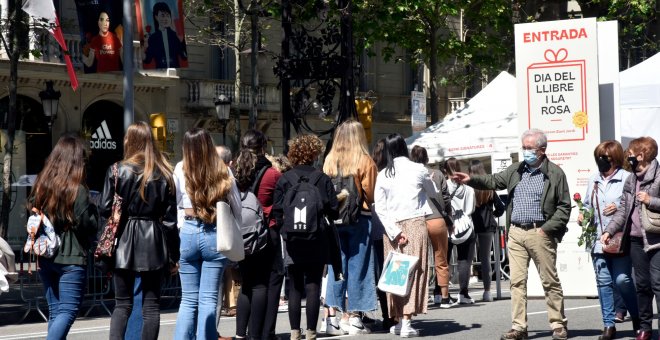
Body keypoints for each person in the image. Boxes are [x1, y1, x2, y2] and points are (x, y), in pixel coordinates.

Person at [452, 128, 570, 340]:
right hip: (515, 232)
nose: (525, 152)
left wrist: (546, 229)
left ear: (542, 150)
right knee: (516, 282)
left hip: (539, 232)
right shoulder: (516, 170)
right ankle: (519, 327)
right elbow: (493, 181)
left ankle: (558, 324)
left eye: (529, 148)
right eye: (523, 148)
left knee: (549, 281)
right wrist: (470, 179)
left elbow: (564, 207)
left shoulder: (555, 173)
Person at [103, 121, 180, 340]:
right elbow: (170, 221)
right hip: (154, 240)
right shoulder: (164, 173)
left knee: (122, 305)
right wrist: (174, 256)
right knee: (151, 306)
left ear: (129, 141)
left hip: (124, 239)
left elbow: (105, 210)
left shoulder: (117, 170)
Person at [173, 128, 241, 339]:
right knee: (209, 298)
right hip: (214, 230)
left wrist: (180, 227)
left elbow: (174, 202)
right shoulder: (221, 169)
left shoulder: (180, 168)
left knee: (188, 299)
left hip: (189, 230)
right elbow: (236, 205)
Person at [272, 134, 339, 340]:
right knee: (313, 284)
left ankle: (294, 332)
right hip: (317, 237)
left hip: (293, 240)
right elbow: (334, 211)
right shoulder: (322, 178)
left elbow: (276, 211)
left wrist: (287, 230)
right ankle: (311, 331)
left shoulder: (285, 179)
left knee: (295, 286)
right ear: (315, 154)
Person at [31, 135, 98, 340]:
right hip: (71, 257)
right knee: (68, 310)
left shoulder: (43, 186)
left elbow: (32, 210)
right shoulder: (77, 190)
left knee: (55, 310)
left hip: (46, 255)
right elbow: (88, 225)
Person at [578, 140, 639, 340]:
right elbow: (588, 204)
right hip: (597, 237)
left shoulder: (627, 178)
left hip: (621, 238)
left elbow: (635, 205)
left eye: (605, 157)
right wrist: (583, 214)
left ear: (615, 159)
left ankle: (637, 318)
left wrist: (616, 205)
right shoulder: (593, 179)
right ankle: (608, 325)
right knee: (603, 282)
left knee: (622, 280)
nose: (601, 161)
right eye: (599, 157)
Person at [374, 133, 433, 338]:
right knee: (414, 273)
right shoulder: (418, 169)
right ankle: (407, 321)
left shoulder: (383, 174)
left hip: (392, 227)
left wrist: (395, 231)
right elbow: (433, 192)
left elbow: (379, 208)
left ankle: (399, 319)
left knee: (395, 275)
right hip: (415, 222)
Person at [322, 120, 378, 335]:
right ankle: (354, 316)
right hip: (359, 218)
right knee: (359, 267)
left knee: (337, 268)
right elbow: (371, 194)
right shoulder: (364, 160)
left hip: (334, 220)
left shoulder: (329, 160)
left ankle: (332, 318)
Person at [602, 136, 660, 340]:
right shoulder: (632, 178)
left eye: (631, 152)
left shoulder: (659, 175)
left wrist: (651, 200)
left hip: (656, 239)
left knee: (658, 283)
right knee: (642, 285)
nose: (628, 155)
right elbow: (624, 210)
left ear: (642, 155)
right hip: (636, 239)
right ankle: (644, 327)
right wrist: (610, 230)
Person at [232, 130, 284, 340]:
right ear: (263, 147)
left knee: (246, 283)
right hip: (264, 233)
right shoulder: (272, 174)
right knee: (261, 285)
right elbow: (279, 204)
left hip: (240, 233)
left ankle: (239, 334)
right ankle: (256, 335)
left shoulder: (235, 172)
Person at [409, 146, 455, 308]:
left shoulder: (409, 174)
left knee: (418, 260)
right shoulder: (438, 174)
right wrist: (449, 219)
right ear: (427, 159)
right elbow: (446, 198)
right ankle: (444, 297)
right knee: (441, 258)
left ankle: (420, 298)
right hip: (437, 219)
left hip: (416, 220)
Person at [468, 159, 506, 303]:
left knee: (467, 258)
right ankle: (487, 292)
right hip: (487, 225)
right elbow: (501, 208)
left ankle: (464, 292)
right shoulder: (489, 188)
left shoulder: (469, 187)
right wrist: (492, 215)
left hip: (471, 225)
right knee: (485, 259)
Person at [444, 158, 477, 305]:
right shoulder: (469, 189)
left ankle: (441, 292)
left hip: (448, 226)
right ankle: (463, 293)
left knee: (444, 261)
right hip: (466, 227)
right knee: (464, 261)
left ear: (445, 170)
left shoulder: (444, 186)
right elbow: (471, 209)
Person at [370, 138, 395, 328]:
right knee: (395, 271)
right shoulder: (393, 174)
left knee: (380, 272)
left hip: (375, 227)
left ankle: (387, 314)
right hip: (393, 227)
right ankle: (396, 313)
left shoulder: (373, 173)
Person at [142, 2, 188, 69]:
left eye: (167, 15)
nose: (166, 18)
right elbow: (147, 59)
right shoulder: (153, 38)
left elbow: (184, 57)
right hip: (160, 74)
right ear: (156, 17)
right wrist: (142, 49)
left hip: (175, 73)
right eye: (163, 15)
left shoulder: (175, 36)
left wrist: (182, 42)